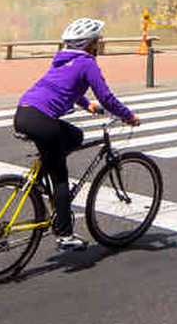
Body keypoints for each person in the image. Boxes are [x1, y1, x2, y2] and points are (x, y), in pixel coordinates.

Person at [15, 18, 140, 251]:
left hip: (23, 113)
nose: (98, 45)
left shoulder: (61, 60)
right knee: (61, 174)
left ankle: (47, 170)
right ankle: (64, 234)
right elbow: (107, 98)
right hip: (42, 121)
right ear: (88, 44)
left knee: (72, 138)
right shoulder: (87, 63)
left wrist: (86, 104)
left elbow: (62, 87)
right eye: (96, 41)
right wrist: (128, 116)